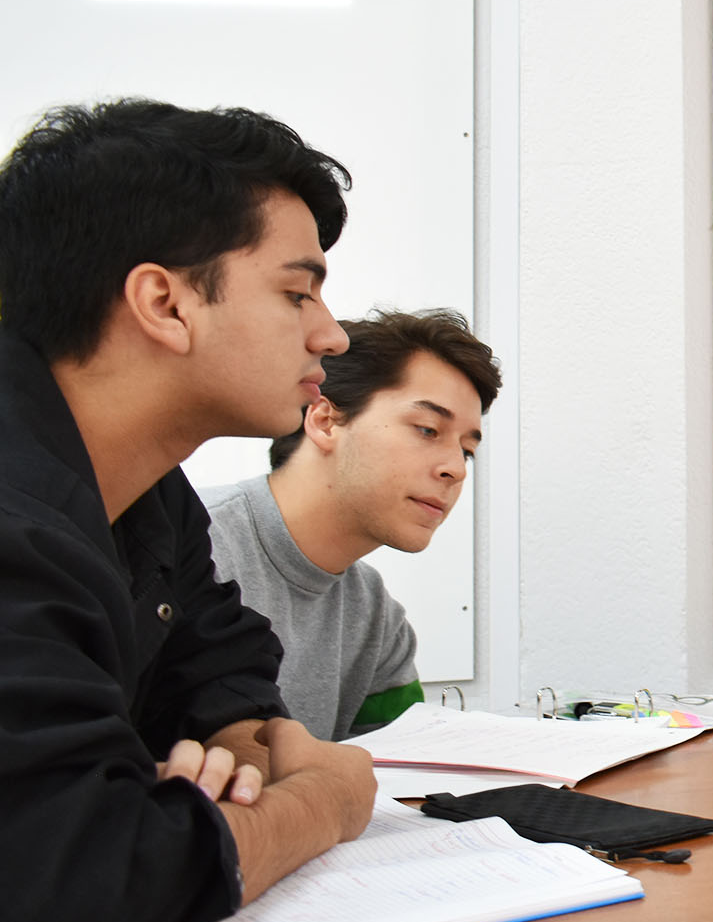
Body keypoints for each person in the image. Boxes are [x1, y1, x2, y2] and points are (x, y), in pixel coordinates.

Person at [0, 99, 377, 922]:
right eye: (298, 293)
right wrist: (322, 801)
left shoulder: (150, 496)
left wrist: (241, 774)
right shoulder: (15, 514)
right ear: (164, 303)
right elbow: (80, 892)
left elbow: (223, 683)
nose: (330, 336)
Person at [202, 308, 501, 742]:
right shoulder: (193, 549)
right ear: (325, 421)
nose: (455, 469)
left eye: (467, 450)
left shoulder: (375, 615)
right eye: (427, 429)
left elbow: (409, 769)